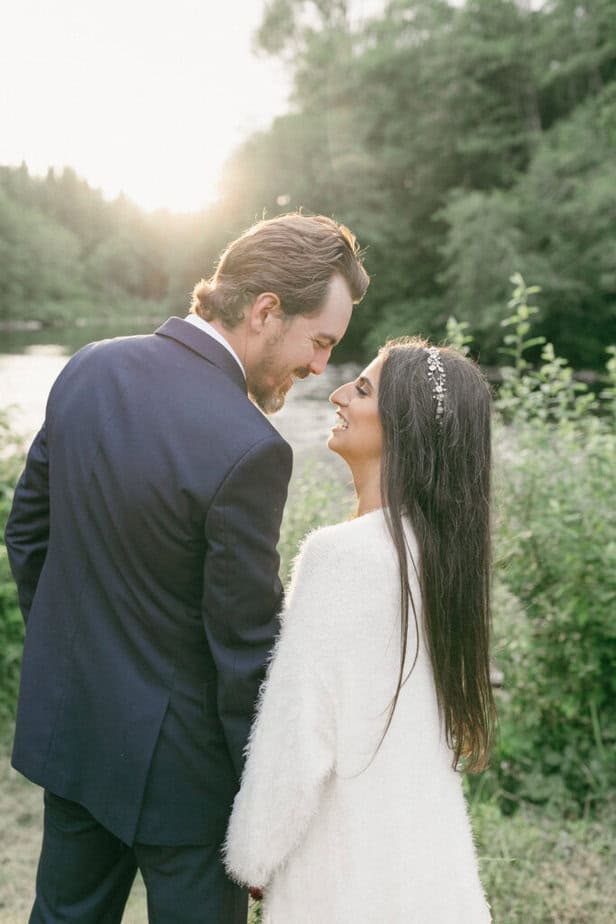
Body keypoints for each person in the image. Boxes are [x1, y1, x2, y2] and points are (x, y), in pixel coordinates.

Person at [4, 212, 369, 924]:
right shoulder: (250, 447)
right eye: (320, 341)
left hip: (75, 739)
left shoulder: (89, 369)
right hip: (190, 787)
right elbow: (244, 651)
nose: (320, 367)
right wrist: (268, 803)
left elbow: (27, 536)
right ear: (266, 311)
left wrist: (75, 666)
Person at [224, 337, 495, 923]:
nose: (339, 393)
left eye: (363, 388)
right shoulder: (445, 557)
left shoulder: (343, 557)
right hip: (428, 866)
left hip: (345, 869)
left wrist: (254, 856)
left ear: (406, 427)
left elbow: (297, 730)